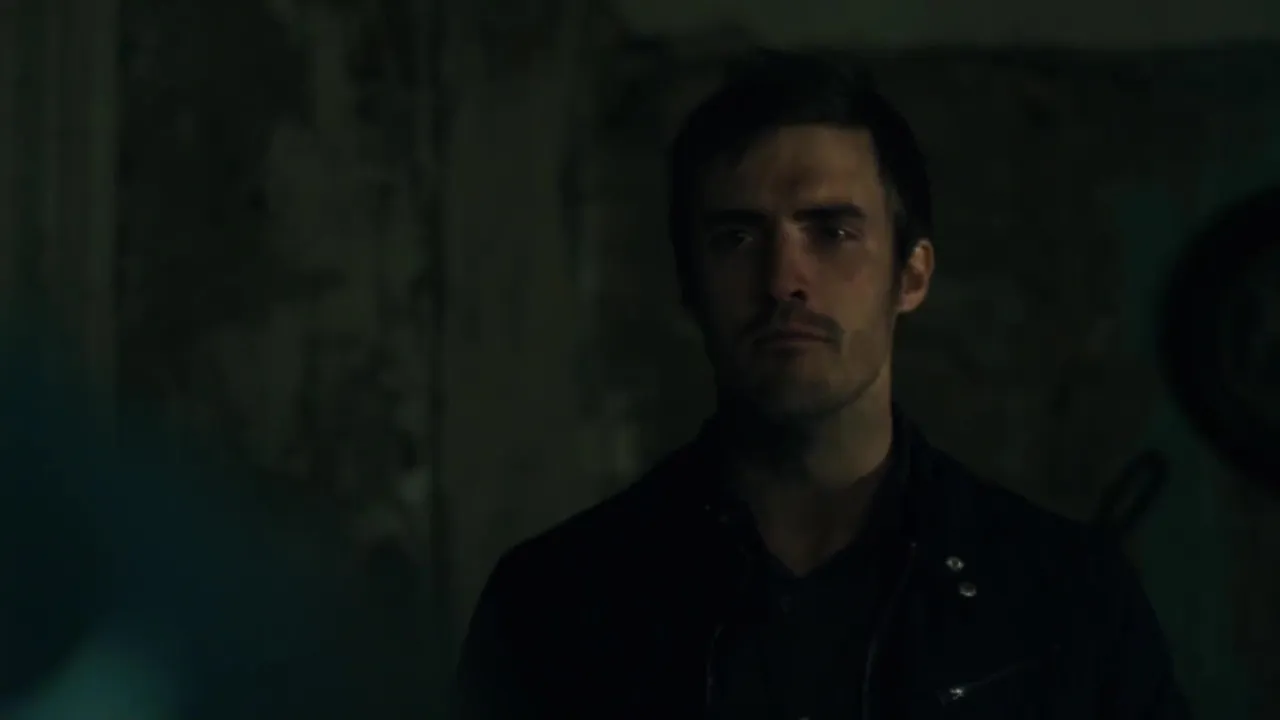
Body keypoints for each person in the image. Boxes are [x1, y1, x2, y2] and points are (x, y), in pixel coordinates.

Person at [456, 50, 1189, 719]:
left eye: (832, 232)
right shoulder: (557, 603)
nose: (784, 281)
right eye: (737, 237)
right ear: (689, 285)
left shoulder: (1065, 599)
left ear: (912, 275)